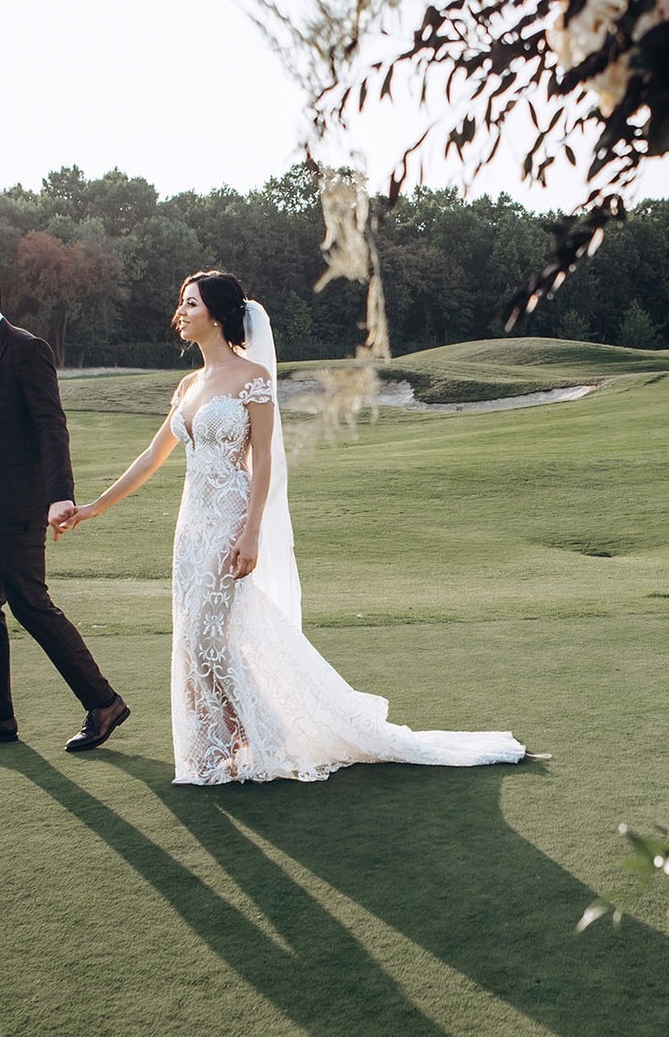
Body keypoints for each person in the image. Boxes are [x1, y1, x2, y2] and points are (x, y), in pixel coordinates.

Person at [61, 271, 524, 784]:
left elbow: (263, 464)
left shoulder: (252, 377)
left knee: (209, 641)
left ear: (216, 314)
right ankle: (220, 747)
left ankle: (253, 738)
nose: (181, 312)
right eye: (181, 303)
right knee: (194, 639)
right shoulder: (188, 385)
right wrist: (93, 507)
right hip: (191, 527)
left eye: (191, 303)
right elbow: (153, 455)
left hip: (232, 518)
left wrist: (252, 531)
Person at [0, 257, 129, 752]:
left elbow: (49, 424)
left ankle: (103, 703)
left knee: (30, 604)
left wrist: (60, 494)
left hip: (17, 506)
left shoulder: (24, 349)